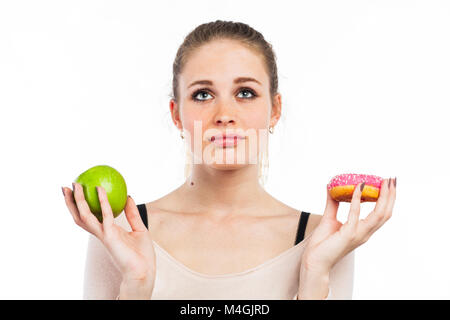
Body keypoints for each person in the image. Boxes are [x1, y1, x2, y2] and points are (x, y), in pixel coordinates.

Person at [61, 20, 396, 300]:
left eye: (245, 93)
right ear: (177, 115)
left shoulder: (322, 238)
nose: (224, 115)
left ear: (274, 109)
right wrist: (136, 286)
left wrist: (314, 274)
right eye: (203, 94)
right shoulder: (119, 234)